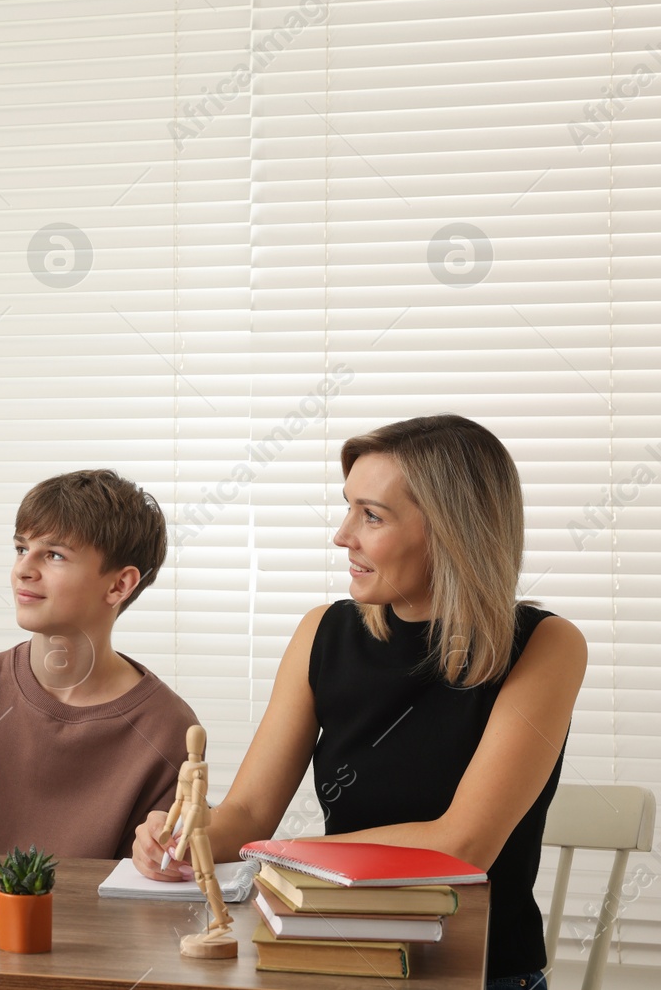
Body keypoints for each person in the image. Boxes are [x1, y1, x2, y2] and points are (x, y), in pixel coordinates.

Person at [132, 414, 586, 990]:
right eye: (348, 508)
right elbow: (247, 814)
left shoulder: (546, 645)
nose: (343, 534)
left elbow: (462, 844)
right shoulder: (323, 632)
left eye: (371, 515)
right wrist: (183, 840)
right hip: (331, 959)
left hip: (481, 974)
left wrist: (276, 856)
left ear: (450, 530)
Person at [0, 468, 199, 860]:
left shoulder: (168, 728)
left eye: (53, 555)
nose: (23, 569)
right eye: (20, 549)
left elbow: (150, 887)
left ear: (119, 585)